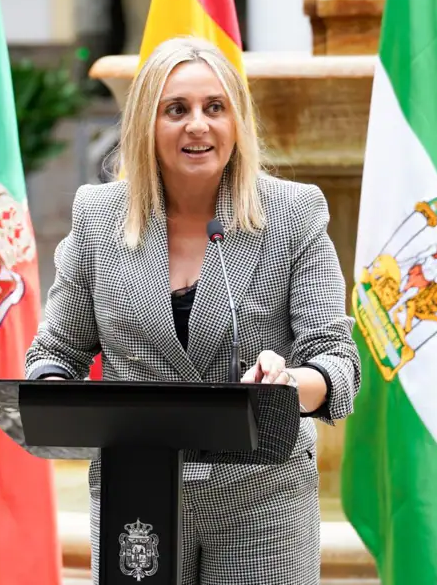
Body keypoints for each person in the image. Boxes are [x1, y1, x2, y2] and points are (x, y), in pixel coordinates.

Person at [25, 37, 361, 585]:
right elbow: (55, 351)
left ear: (238, 121)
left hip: (262, 501)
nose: (197, 125)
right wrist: (51, 392)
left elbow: (339, 363)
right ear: (145, 125)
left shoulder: (294, 213)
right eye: (176, 109)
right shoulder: (96, 215)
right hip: (137, 493)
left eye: (215, 107)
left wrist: (287, 384)